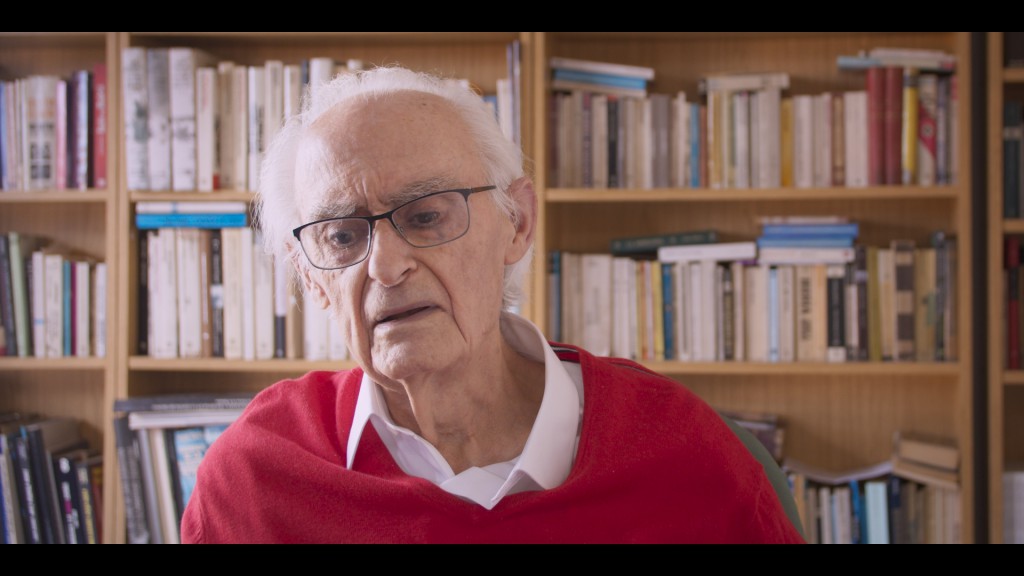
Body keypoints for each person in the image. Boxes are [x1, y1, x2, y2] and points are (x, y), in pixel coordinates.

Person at [180, 65, 805, 544]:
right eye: (342, 236)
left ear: (517, 224)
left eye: (426, 216)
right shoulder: (255, 478)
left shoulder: (684, 454)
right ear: (311, 278)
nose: (386, 266)